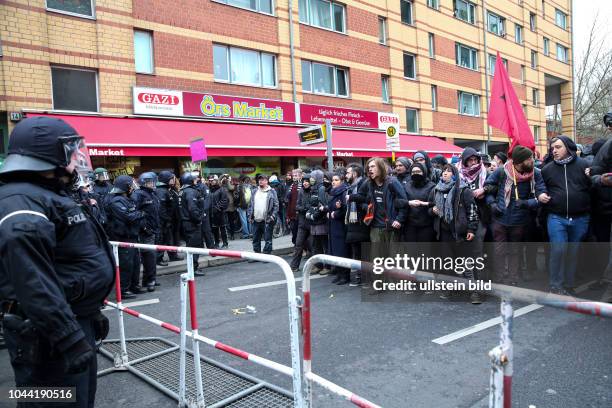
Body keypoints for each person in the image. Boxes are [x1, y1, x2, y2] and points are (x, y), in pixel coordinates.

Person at [0, 117, 114, 408]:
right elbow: (30, 279)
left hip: (68, 322)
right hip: (47, 339)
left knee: (79, 400)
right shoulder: (21, 200)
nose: (76, 159)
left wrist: (88, 313)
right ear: (48, 154)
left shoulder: (45, 195)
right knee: (52, 401)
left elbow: (67, 262)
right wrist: (68, 336)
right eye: (70, 151)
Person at [485, 146, 548, 286]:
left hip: (520, 220)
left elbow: (541, 192)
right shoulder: (502, 171)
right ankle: (499, 277)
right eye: (529, 158)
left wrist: (527, 203)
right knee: (499, 250)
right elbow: (488, 188)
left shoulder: (536, 173)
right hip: (500, 218)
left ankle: (513, 278)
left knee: (515, 250)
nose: (533, 160)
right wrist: (493, 205)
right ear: (519, 162)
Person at [542, 136, 591, 295]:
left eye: (558, 147)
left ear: (568, 148)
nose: (554, 151)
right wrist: (540, 194)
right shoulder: (547, 169)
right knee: (558, 250)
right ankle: (555, 285)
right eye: (552, 148)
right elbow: (539, 187)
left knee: (573, 252)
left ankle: (569, 285)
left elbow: (594, 187)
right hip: (556, 217)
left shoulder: (584, 165)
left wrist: (592, 176)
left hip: (580, 218)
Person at [429, 163, 480, 303]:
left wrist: (471, 229)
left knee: (466, 264)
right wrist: (432, 210)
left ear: (455, 174)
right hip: (444, 233)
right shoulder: (436, 190)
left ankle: (474, 292)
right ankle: (448, 289)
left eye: (449, 171)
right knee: (447, 263)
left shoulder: (463, 190)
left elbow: (472, 211)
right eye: (444, 171)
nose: (445, 173)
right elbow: (430, 207)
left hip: (460, 232)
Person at [349, 157, 407, 246]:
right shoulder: (368, 183)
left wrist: (399, 219)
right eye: (368, 167)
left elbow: (404, 202)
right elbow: (361, 198)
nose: (370, 169)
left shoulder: (392, 182)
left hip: (391, 226)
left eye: (373, 166)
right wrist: (353, 199)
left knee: (393, 258)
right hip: (375, 227)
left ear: (380, 167)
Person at [106, 175, 146, 297]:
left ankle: (134, 286)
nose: (132, 188)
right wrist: (140, 213)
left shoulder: (127, 199)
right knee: (126, 264)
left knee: (135, 262)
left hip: (132, 235)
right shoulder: (116, 201)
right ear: (125, 187)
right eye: (130, 185)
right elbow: (129, 216)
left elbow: (133, 213)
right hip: (123, 237)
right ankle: (123, 289)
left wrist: (136, 213)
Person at [132, 172, 161, 292]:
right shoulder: (138, 195)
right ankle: (149, 281)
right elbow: (135, 213)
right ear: (144, 182)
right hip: (145, 231)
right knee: (149, 256)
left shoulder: (152, 194)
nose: (153, 184)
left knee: (151, 256)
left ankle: (149, 279)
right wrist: (144, 227)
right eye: (151, 182)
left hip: (153, 229)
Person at [395, 162, 436, 242]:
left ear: (424, 172)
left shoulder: (432, 186)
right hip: (410, 226)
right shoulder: (406, 186)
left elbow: (436, 203)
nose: (415, 174)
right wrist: (409, 202)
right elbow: (397, 201)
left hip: (427, 226)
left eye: (418, 172)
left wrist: (425, 203)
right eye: (413, 172)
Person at [344, 164, 369, 286]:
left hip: (362, 223)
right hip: (352, 223)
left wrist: (354, 199)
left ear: (355, 174)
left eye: (348, 173)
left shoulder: (363, 184)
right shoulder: (350, 187)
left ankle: (365, 277)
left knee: (364, 251)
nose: (346, 175)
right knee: (356, 251)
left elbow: (367, 201)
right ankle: (360, 276)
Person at [179, 172, 205, 276]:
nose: (196, 180)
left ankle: (192, 268)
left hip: (185, 223)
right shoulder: (190, 192)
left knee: (190, 246)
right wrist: (198, 219)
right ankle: (193, 269)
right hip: (192, 223)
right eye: (194, 179)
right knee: (194, 247)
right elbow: (192, 208)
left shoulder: (182, 191)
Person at [306, 169, 331, 275]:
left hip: (320, 222)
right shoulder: (313, 188)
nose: (310, 179)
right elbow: (311, 204)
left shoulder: (321, 188)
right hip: (314, 222)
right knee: (316, 245)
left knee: (324, 245)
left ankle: (327, 266)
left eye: (312, 177)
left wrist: (313, 216)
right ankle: (318, 265)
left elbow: (321, 205)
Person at [247, 174, 279, 255]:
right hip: (255, 219)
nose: (260, 181)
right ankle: (257, 255)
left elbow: (276, 205)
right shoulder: (254, 191)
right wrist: (249, 216)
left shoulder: (272, 191)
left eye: (263, 180)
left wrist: (272, 216)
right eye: (259, 180)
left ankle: (267, 254)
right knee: (255, 239)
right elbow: (250, 205)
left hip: (267, 220)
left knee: (267, 239)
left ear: (266, 181)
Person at [327, 172, 350, 284]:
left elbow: (345, 209)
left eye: (336, 180)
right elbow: (333, 207)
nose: (333, 182)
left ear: (342, 181)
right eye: (333, 180)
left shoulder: (343, 192)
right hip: (334, 225)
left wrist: (336, 213)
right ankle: (340, 273)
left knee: (342, 250)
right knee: (336, 250)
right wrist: (329, 211)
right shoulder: (334, 192)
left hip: (341, 226)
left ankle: (345, 275)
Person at [155, 171, 181, 265]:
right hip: (163, 222)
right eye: (171, 178)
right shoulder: (162, 191)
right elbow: (161, 209)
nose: (173, 179)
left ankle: (173, 255)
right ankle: (159, 258)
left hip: (169, 220)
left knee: (169, 239)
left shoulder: (167, 189)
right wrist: (167, 219)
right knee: (162, 239)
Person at [289, 174, 313, 272]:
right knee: (298, 244)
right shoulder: (301, 191)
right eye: (304, 181)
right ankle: (294, 266)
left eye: (307, 181)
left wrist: (309, 208)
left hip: (312, 223)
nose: (305, 183)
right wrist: (302, 208)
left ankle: (316, 266)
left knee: (313, 246)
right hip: (302, 223)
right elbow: (297, 205)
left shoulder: (314, 191)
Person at [209, 174, 229, 248]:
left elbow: (225, 200)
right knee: (214, 229)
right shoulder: (210, 189)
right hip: (212, 213)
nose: (211, 182)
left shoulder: (222, 189)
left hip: (220, 212)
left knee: (222, 228)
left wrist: (217, 208)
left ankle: (225, 243)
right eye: (210, 181)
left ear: (216, 180)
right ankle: (216, 243)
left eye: (213, 180)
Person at [285, 168, 302, 244]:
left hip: (299, 214)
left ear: (300, 176)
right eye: (293, 175)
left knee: (300, 234)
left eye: (296, 175)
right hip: (292, 215)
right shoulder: (292, 185)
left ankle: (302, 250)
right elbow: (289, 202)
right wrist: (288, 215)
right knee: (294, 233)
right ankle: (297, 249)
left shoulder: (302, 186)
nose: (294, 177)